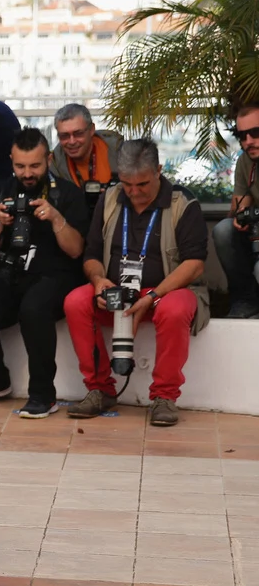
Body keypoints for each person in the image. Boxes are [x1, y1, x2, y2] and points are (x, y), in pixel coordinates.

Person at [64, 139, 209, 427]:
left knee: (175, 309)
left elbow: (194, 264)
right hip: (118, 292)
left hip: (165, 291)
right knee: (76, 302)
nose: (133, 192)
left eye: (142, 184)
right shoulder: (109, 198)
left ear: (158, 170)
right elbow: (91, 255)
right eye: (127, 184)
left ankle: (164, 396)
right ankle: (100, 389)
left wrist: (153, 296)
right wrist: (99, 279)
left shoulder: (182, 203)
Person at [0, 128, 89, 417]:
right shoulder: (0, 193)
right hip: (12, 273)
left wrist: (56, 218)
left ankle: (43, 395)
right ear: (11, 160)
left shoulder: (68, 194)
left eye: (35, 165)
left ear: (49, 159)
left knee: (34, 308)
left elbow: (76, 250)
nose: (28, 173)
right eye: (20, 166)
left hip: (57, 274)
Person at [213, 104, 259, 318]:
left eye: (255, 133)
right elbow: (240, 204)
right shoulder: (245, 161)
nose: (248, 141)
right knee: (223, 230)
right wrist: (241, 215)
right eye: (242, 135)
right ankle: (245, 301)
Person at [50, 103, 123, 211]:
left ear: (92, 129)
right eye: (64, 136)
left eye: (78, 134)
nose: (72, 141)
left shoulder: (119, 152)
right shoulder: (54, 164)